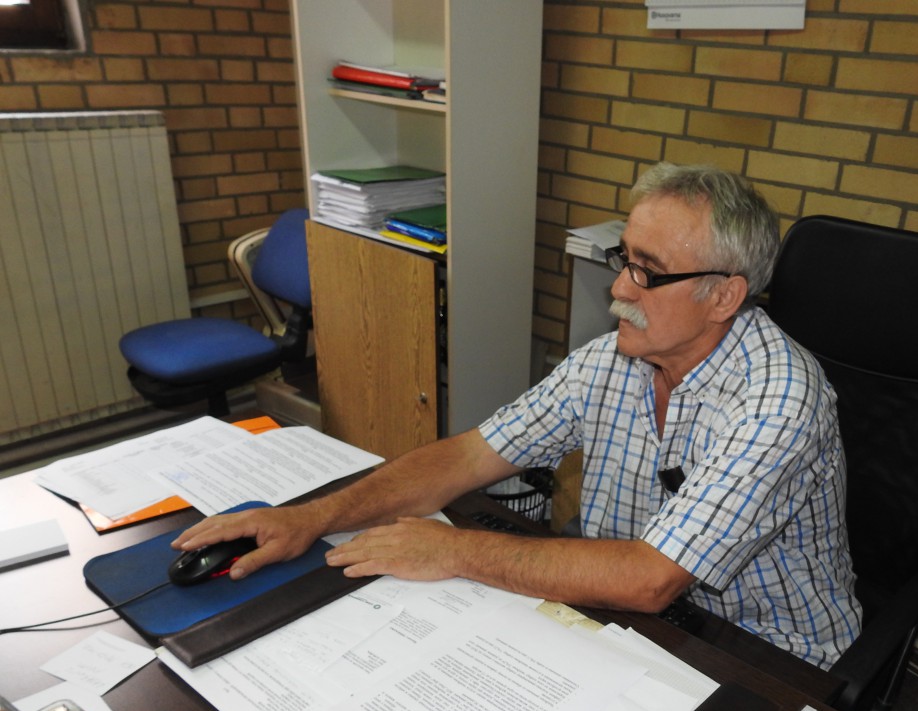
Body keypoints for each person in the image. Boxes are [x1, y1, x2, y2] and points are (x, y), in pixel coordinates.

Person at [174, 162, 861, 669]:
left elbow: (651, 578)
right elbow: (470, 456)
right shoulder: (611, 360)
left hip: (762, 653)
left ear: (724, 297)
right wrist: (310, 517)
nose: (619, 287)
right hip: (630, 623)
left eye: (647, 271)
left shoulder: (780, 401)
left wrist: (453, 550)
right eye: (624, 258)